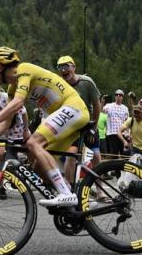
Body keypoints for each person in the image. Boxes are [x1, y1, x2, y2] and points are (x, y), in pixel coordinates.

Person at [0, 47, 90, 207]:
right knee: (40, 169)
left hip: (73, 107)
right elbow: (8, 119)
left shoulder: (24, 70)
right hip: (66, 114)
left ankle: (65, 193)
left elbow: (18, 103)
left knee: (33, 143)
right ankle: (77, 201)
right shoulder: (12, 88)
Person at [56, 55, 103, 189]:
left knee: (96, 157)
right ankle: (70, 190)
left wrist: (93, 127)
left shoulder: (86, 82)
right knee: (70, 156)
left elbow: (97, 104)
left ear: (74, 67)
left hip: (88, 124)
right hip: (70, 127)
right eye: (60, 67)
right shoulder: (59, 85)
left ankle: (100, 190)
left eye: (66, 66)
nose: (63, 70)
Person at [118, 103, 142, 171]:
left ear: (141, 113)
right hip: (135, 149)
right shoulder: (131, 120)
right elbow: (119, 132)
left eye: (138, 112)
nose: (136, 114)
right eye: (134, 113)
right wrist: (124, 141)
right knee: (135, 170)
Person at [103, 89, 130, 163]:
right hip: (112, 133)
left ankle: (121, 170)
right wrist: (102, 101)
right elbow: (102, 110)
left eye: (120, 95)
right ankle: (113, 170)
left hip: (122, 133)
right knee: (114, 153)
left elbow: (126, 121)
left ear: (122, 97)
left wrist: (128, 134)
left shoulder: (125, 108)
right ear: (115, 97)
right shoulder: (109, 105)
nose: (118, 96)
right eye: (116, 95)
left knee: (124, 153)